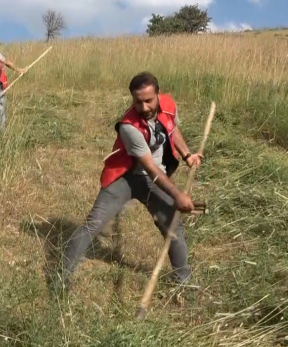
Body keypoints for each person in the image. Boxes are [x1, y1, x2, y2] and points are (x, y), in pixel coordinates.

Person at [57, 71, 203, 292]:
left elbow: (172, 129)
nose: (144, 107)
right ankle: (61, 278)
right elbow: (150, 168)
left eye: (148, 101)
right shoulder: (129, 126)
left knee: (173, 228)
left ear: (158, 94)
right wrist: (178, 195)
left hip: (154, 180)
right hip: (125, 177)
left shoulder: (168, 106)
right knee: (92, 225)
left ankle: (184, 284)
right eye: (138, 102)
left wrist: (187, 155)